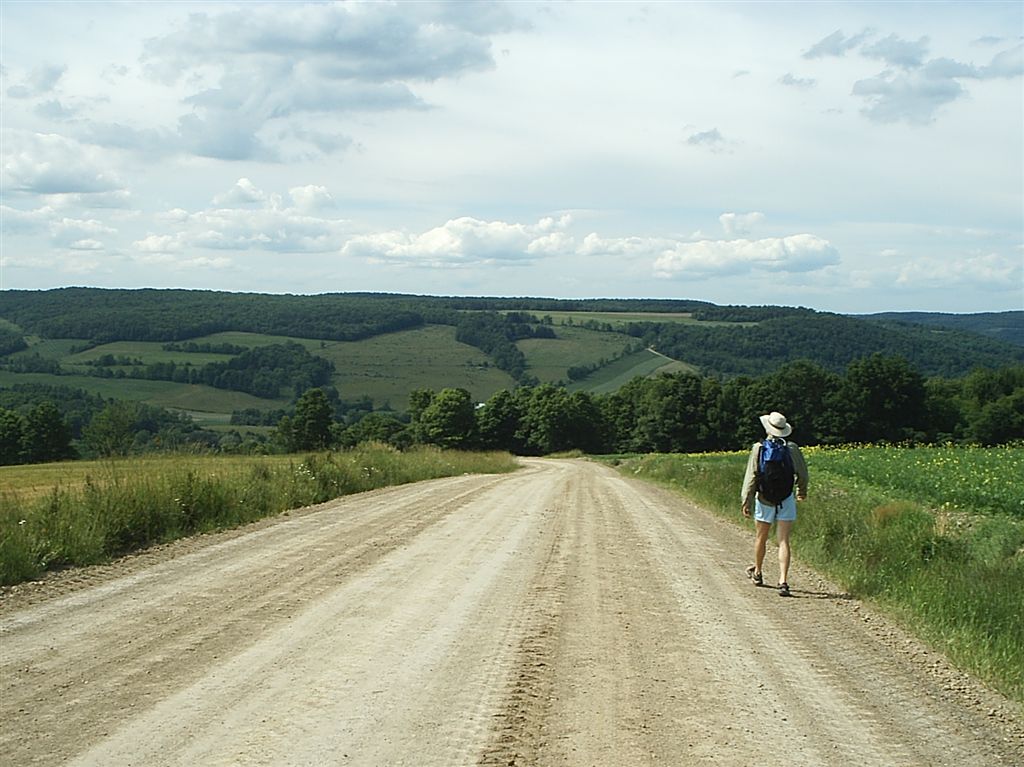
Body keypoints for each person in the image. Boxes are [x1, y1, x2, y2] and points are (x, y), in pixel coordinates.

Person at [741, 411, 808, 597]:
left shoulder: (759, 448)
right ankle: (783, 581)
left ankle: (758, 573)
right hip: (786, 498)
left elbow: (751, 476)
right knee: (783, 541)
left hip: (764, 499)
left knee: (761, 538)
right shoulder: (792, 448)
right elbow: (803, 474)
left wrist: (746, 500)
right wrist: (801, 492)